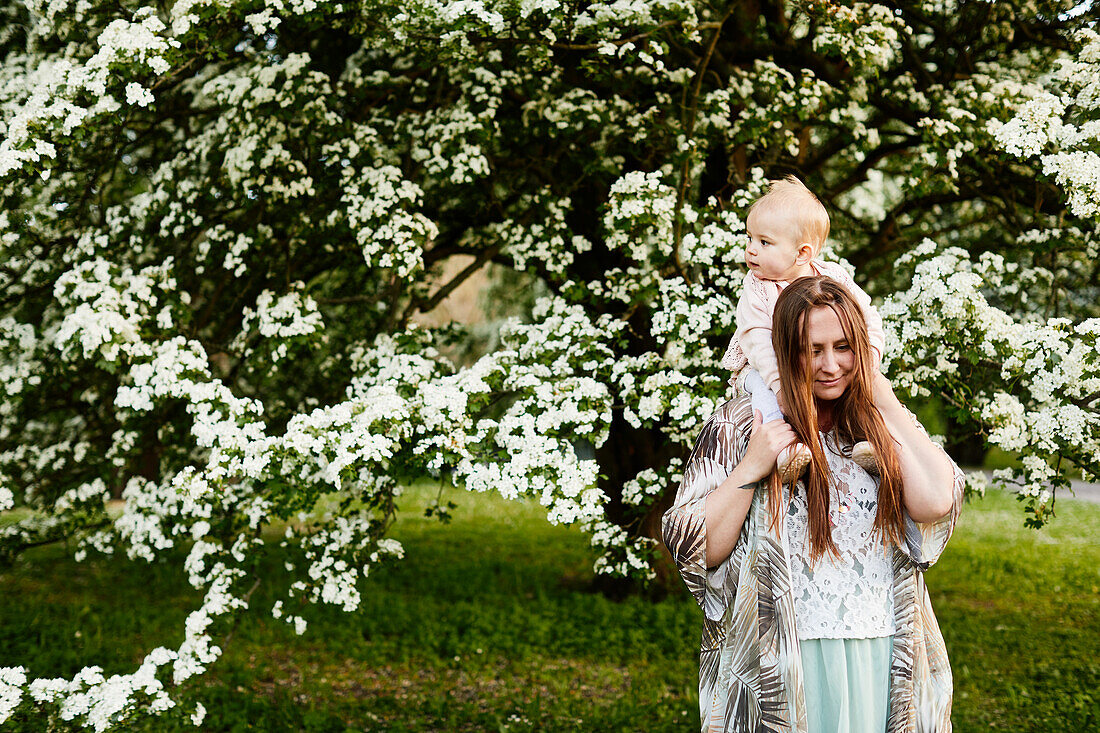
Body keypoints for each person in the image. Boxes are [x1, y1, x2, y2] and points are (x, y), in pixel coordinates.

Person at [663, 276, 962, 733]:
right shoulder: (744, 423)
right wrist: (751, 468)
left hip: (881, 651)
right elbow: (697, 547)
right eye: (812, 349)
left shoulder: (876, 423)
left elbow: (937, 500)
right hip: (784, 658)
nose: (830, 365)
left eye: (844, 347)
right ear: (786, 352)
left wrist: (881, 394)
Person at [719, 176, 886, 485]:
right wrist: (782, 386)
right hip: (763, 367)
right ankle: (786, 449)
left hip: (814, 362)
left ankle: (869, 442)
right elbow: (758, 342)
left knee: (866, 386)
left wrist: (870, 358)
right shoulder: (757, 288)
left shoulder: (831, 276)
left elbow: (867, 317)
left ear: (802, 254)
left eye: (764, 242)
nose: (751, 250)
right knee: (764, 394)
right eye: (750, 238)